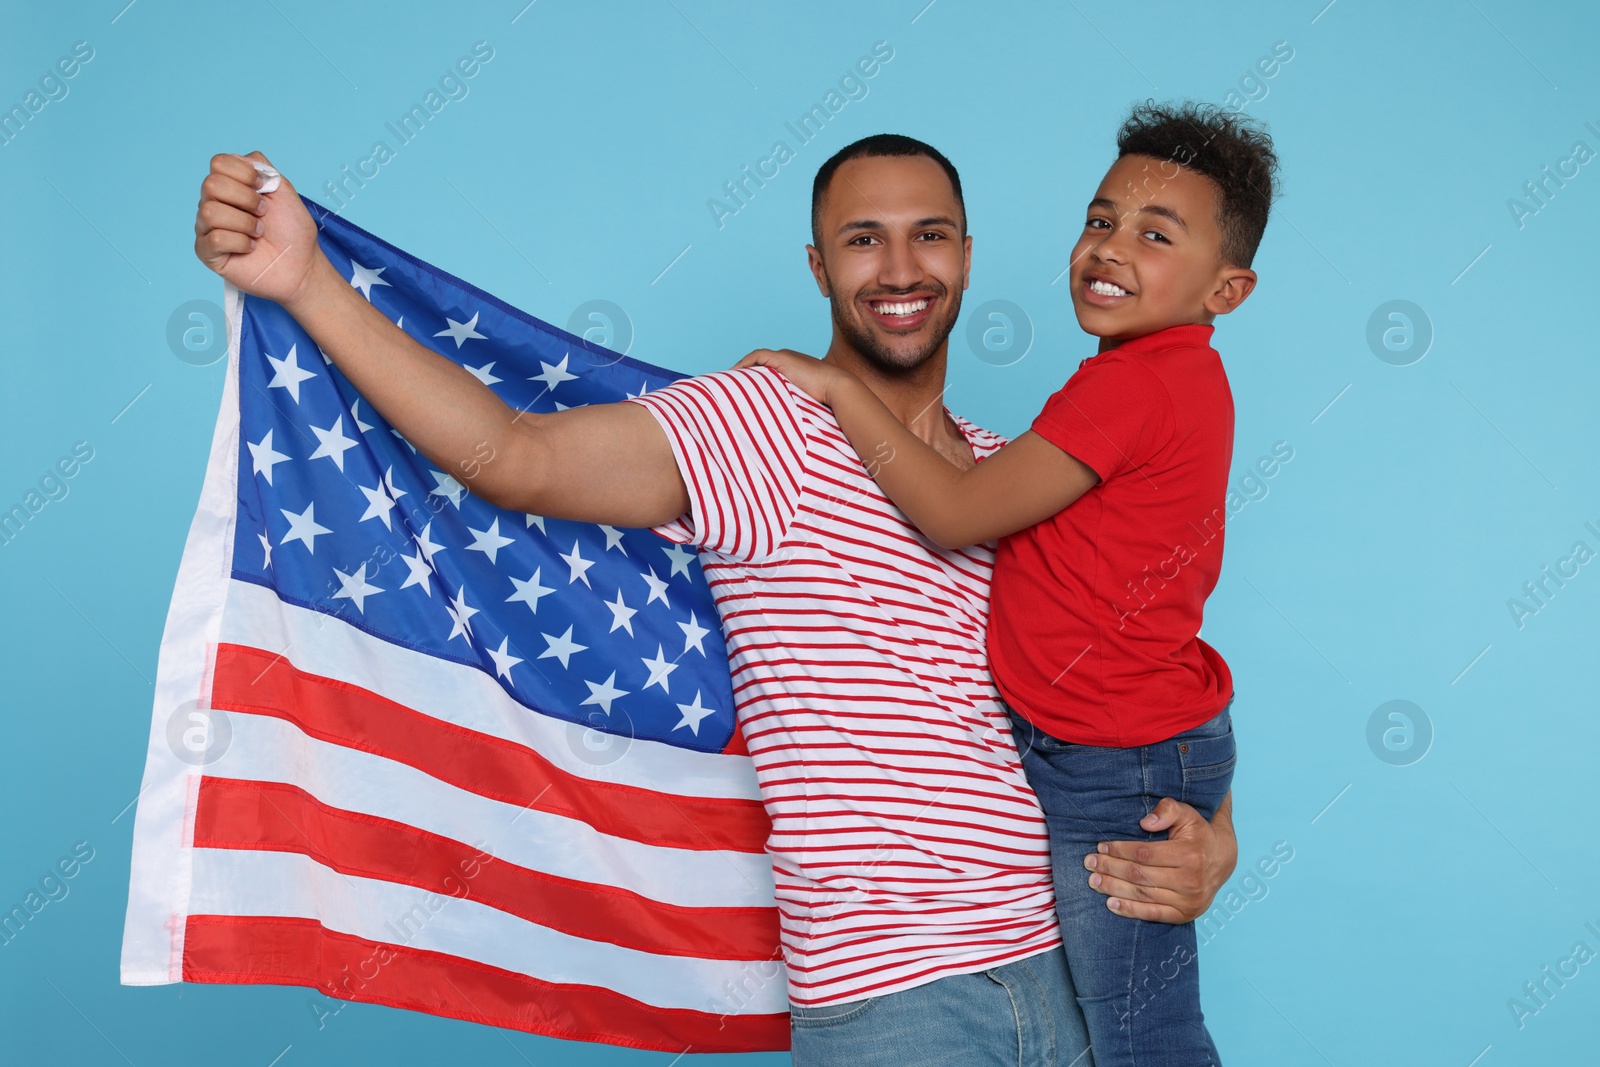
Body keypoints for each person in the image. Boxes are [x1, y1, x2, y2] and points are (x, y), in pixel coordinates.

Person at [190, 131, 1240, 1066]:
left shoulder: (1010, 471)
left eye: (930, 235)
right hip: (899, 1004)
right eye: (863, 239)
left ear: (966, 255)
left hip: (1072, 974)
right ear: (819, 265)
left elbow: (1137, 672)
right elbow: (513, 456)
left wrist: (1214, 834)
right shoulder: (762, 423)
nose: (901, 268)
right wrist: (306, 281)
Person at [737, 104, 1278, 1065]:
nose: (1111, 250)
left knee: (1142, 1030)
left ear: (1226, 289)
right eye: (1101, 219)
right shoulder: (1172, 379)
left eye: (1156, 236)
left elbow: (953, 513)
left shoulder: (1131, 384)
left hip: (1116, 757)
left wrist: (839, 391)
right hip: (1128, 745)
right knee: (1132, 1015)